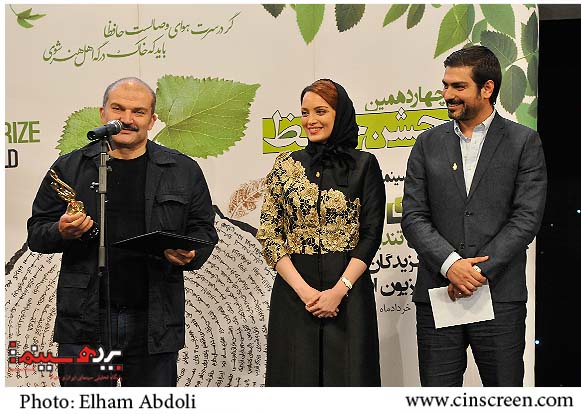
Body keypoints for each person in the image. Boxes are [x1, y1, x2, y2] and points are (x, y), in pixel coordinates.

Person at [27, 77, 218, 386]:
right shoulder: (70, 168)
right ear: (103, 113)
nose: (127, 119)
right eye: (118, 109)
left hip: (154, 320)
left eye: (138, 112)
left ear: (152, 120)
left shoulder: (183, 170)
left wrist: (192, 253)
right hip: (84, 321)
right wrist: (61, 230)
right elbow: (36, 232)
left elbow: (204, 231)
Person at [401, 46, 547, 386]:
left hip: (499, 296)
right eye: (445, 85)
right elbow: (413, 216)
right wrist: (451, 265)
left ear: (487, 88)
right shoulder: (427, 143)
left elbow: (526, 218)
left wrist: (474, 272)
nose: (447, 94)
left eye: (458, 86)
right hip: (439, 293)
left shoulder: (523, 142)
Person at [256, 79, 385, 386]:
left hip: (348, 295)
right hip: (295, 295)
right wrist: (305, 292)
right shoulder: (285, 165)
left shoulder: (364, 165)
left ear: (340, 114)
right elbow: (270, 233)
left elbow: (371, 234)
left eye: (320, 111)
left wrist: (338, 291)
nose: (310, 120)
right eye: (305, 112)